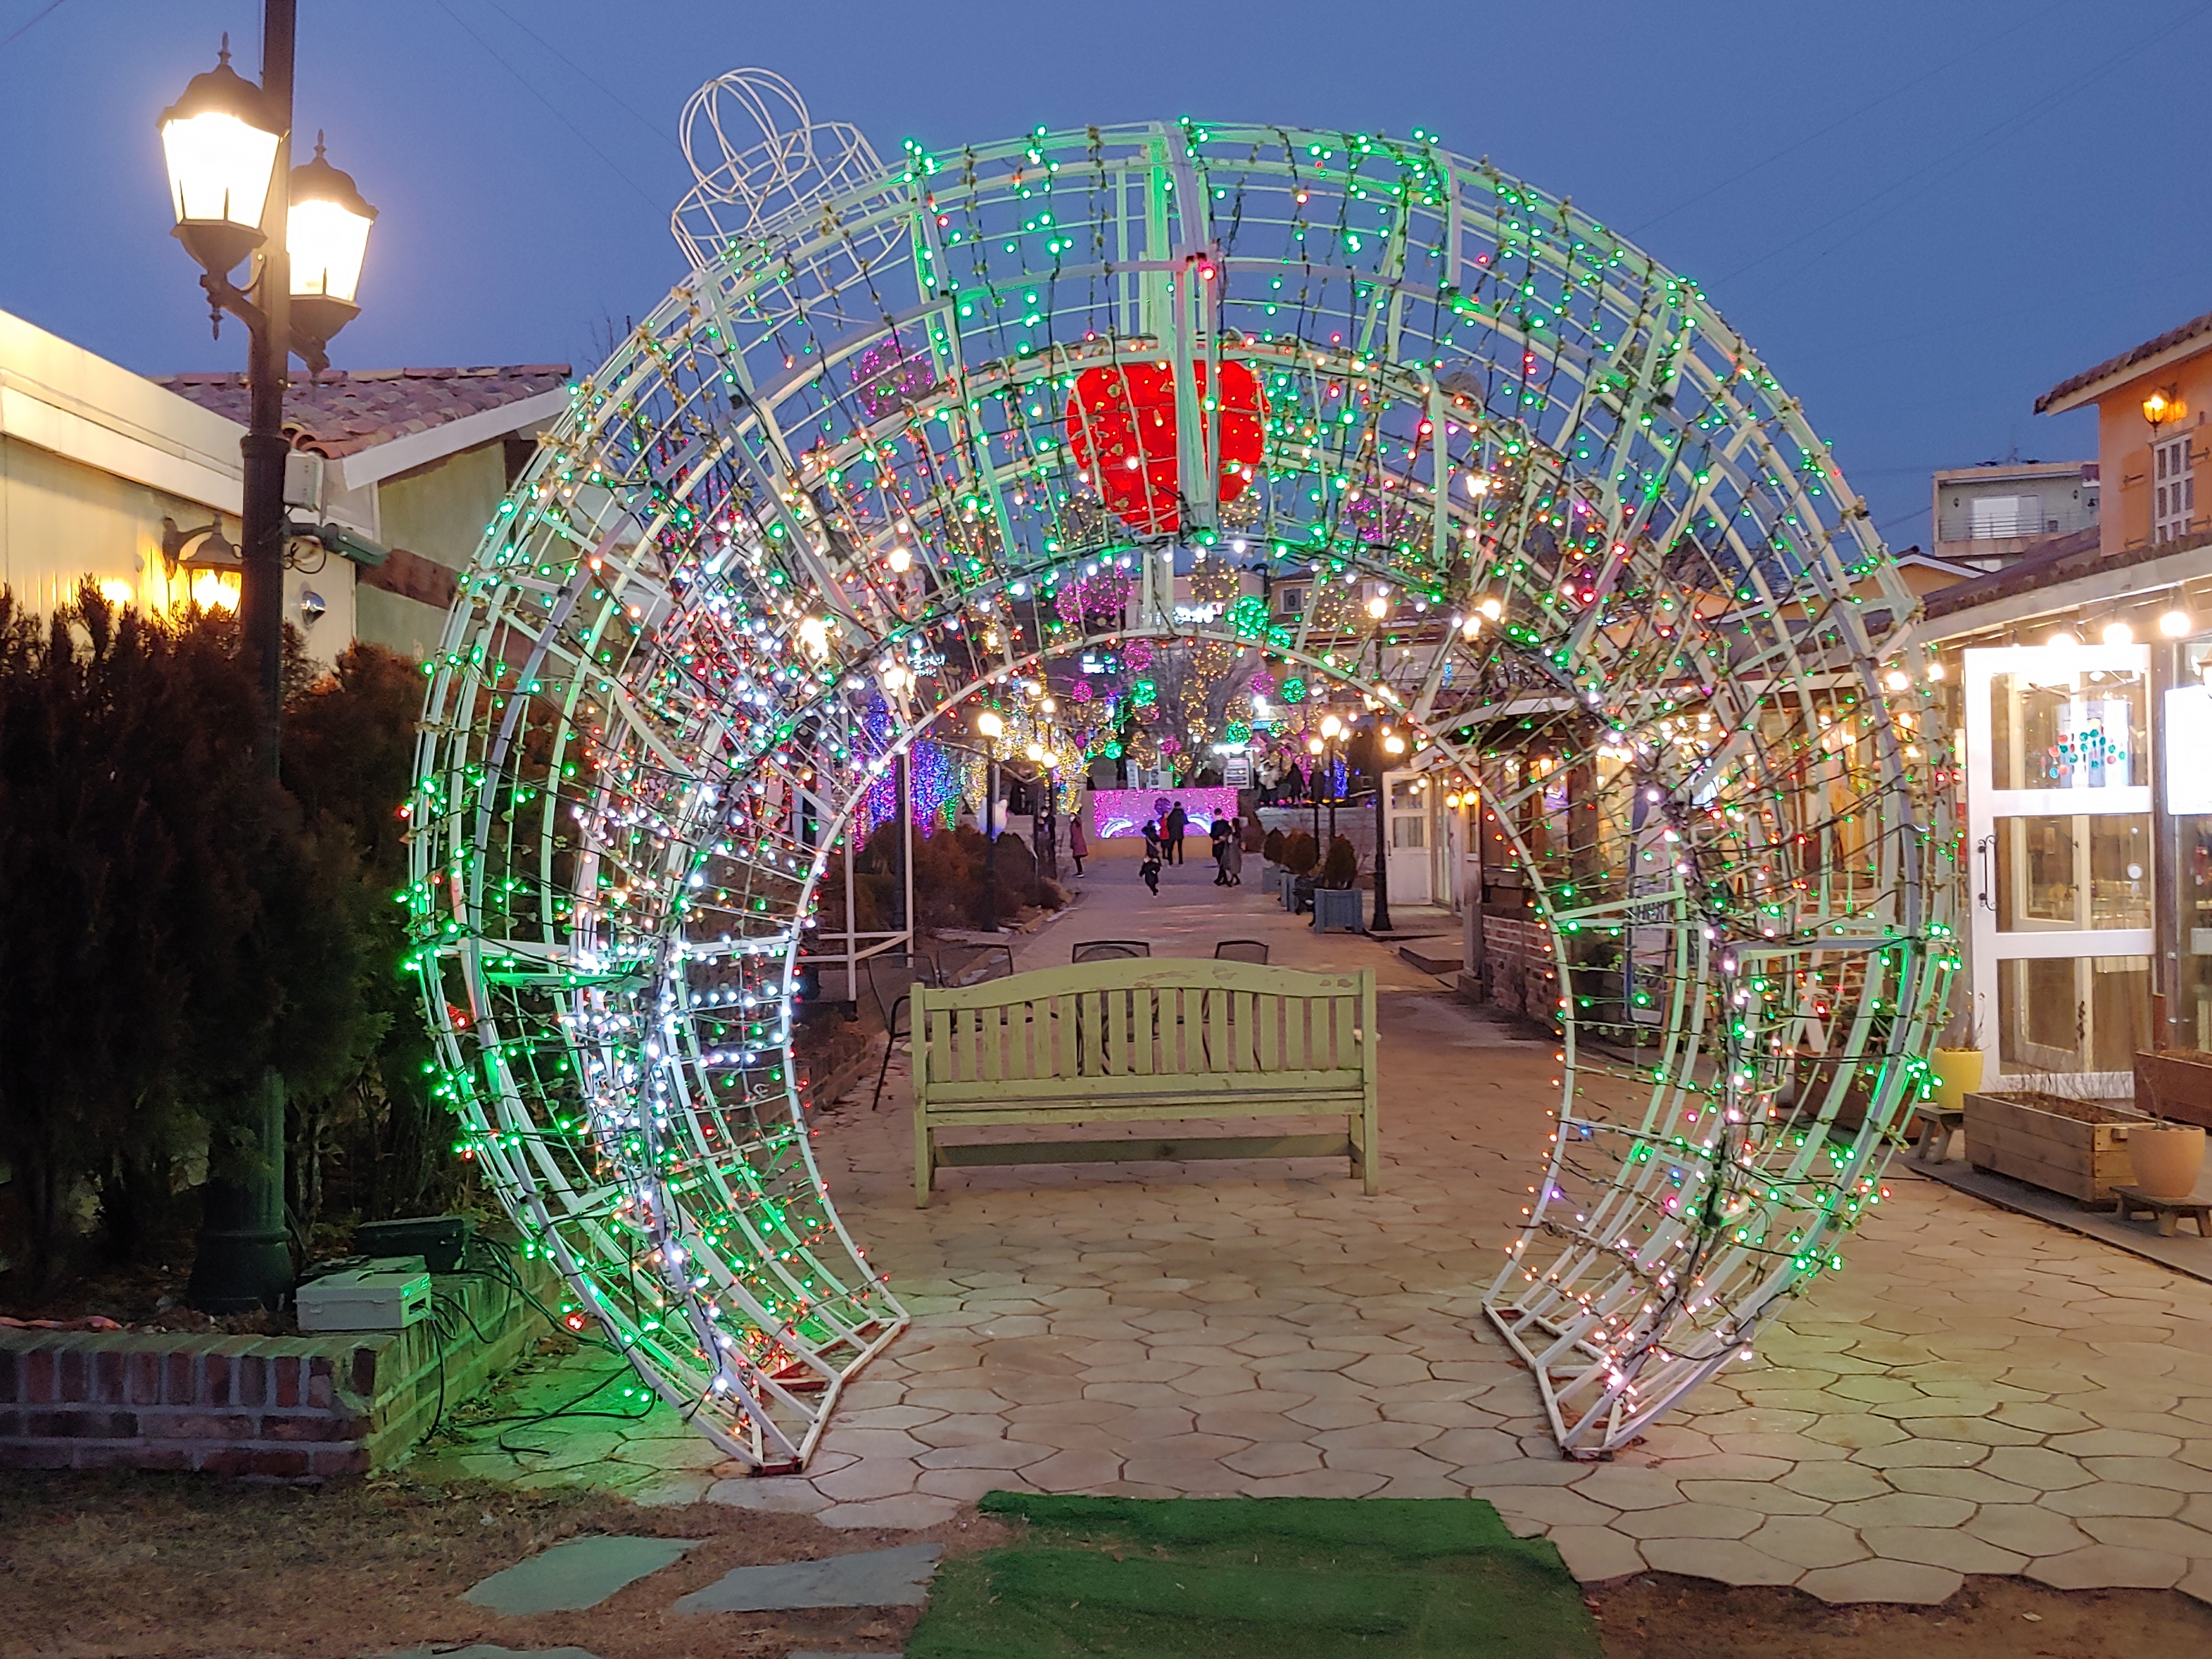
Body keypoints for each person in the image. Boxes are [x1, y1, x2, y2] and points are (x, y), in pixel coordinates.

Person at [1140, 820, 1163, 895]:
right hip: (1154, 855)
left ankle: (1153, 888)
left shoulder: (1147, 834)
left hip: (1149, 854)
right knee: (1156, 868)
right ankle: (1154, 887)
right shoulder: (1155, 836)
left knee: (1147, 869)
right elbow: (1159, 847)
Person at [1210, 815, 1232, 885]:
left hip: (1221, 846)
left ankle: (1222, 879)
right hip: (1221, 846)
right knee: (1221, 863)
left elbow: (1212, 834)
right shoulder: (1224, 824)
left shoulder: (1216, 824)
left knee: (1222, 863)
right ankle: (1224, 879)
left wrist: (1218, 839)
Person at [1163, 801, 1187, 865]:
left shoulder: (1172, 814)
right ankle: (1180, 861)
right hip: (1180, 833)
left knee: (1170, 848)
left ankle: (1171, 861)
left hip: (1172, 833)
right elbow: (1185, 822)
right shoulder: (1182, 814)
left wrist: (1170, 830)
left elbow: (1168, 823)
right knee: (1180, 848)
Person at [1223, 817, 1245, 887]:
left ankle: (1233, 879)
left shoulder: (1238, 833)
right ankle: (1234, 879)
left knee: (1233, 865)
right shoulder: (1229, 831)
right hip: (1229, 850)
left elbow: (1241, 842)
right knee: (1229, 866)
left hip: (1235, 851)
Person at [1068, 812, 1088, 877]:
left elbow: (1076, 834)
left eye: (1072, 816)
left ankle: (1080, 872)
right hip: (1076, 843)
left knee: (1077, 857)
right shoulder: (1072, 825)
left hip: (1078, 843)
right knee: (1077, 858)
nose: (1071, 817)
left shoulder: (1076, 823)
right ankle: (1080, 871)